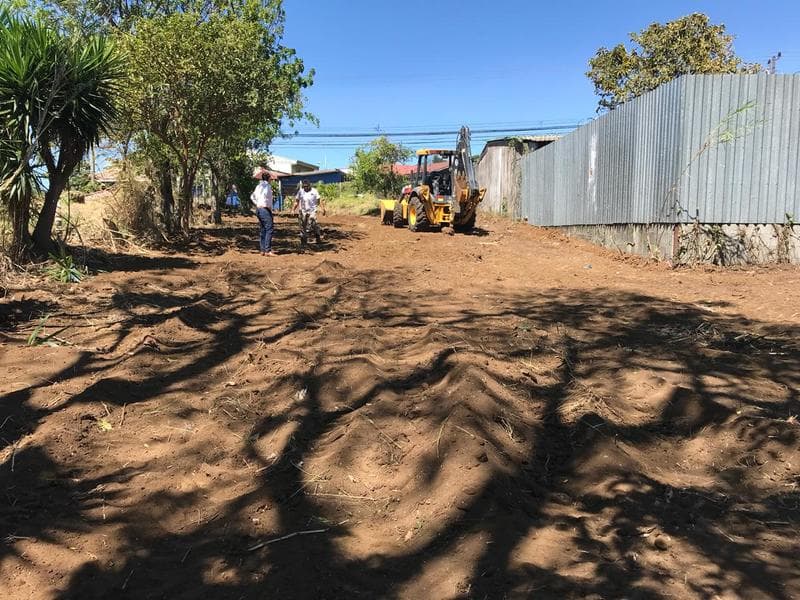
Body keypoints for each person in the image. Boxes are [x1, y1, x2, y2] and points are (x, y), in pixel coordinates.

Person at [292, 180, 326, 246]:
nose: (305, 188)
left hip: (312, 211)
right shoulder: (301, 192)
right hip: (303, 211)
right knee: (302, 226)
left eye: (307, 186)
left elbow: (319, 201)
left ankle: (317, 237)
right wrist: (293, 209)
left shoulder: (314, 191)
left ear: (310, 185)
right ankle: (303, 240)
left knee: (312, 223)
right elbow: (296, 202)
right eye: (304, 186)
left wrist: (323, 209)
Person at [251, 172, 276, 256]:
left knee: (263, 229)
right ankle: (267, 250)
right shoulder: (267, 186)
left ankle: (263, 250)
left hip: (258, 209)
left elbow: (252, 196)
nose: (271, 180)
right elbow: (267, 197)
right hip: (265, 209)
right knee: (269, 228)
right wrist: (267, 206)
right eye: (270, 178)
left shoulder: (258, 186)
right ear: (268, 178)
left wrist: (257, 203)